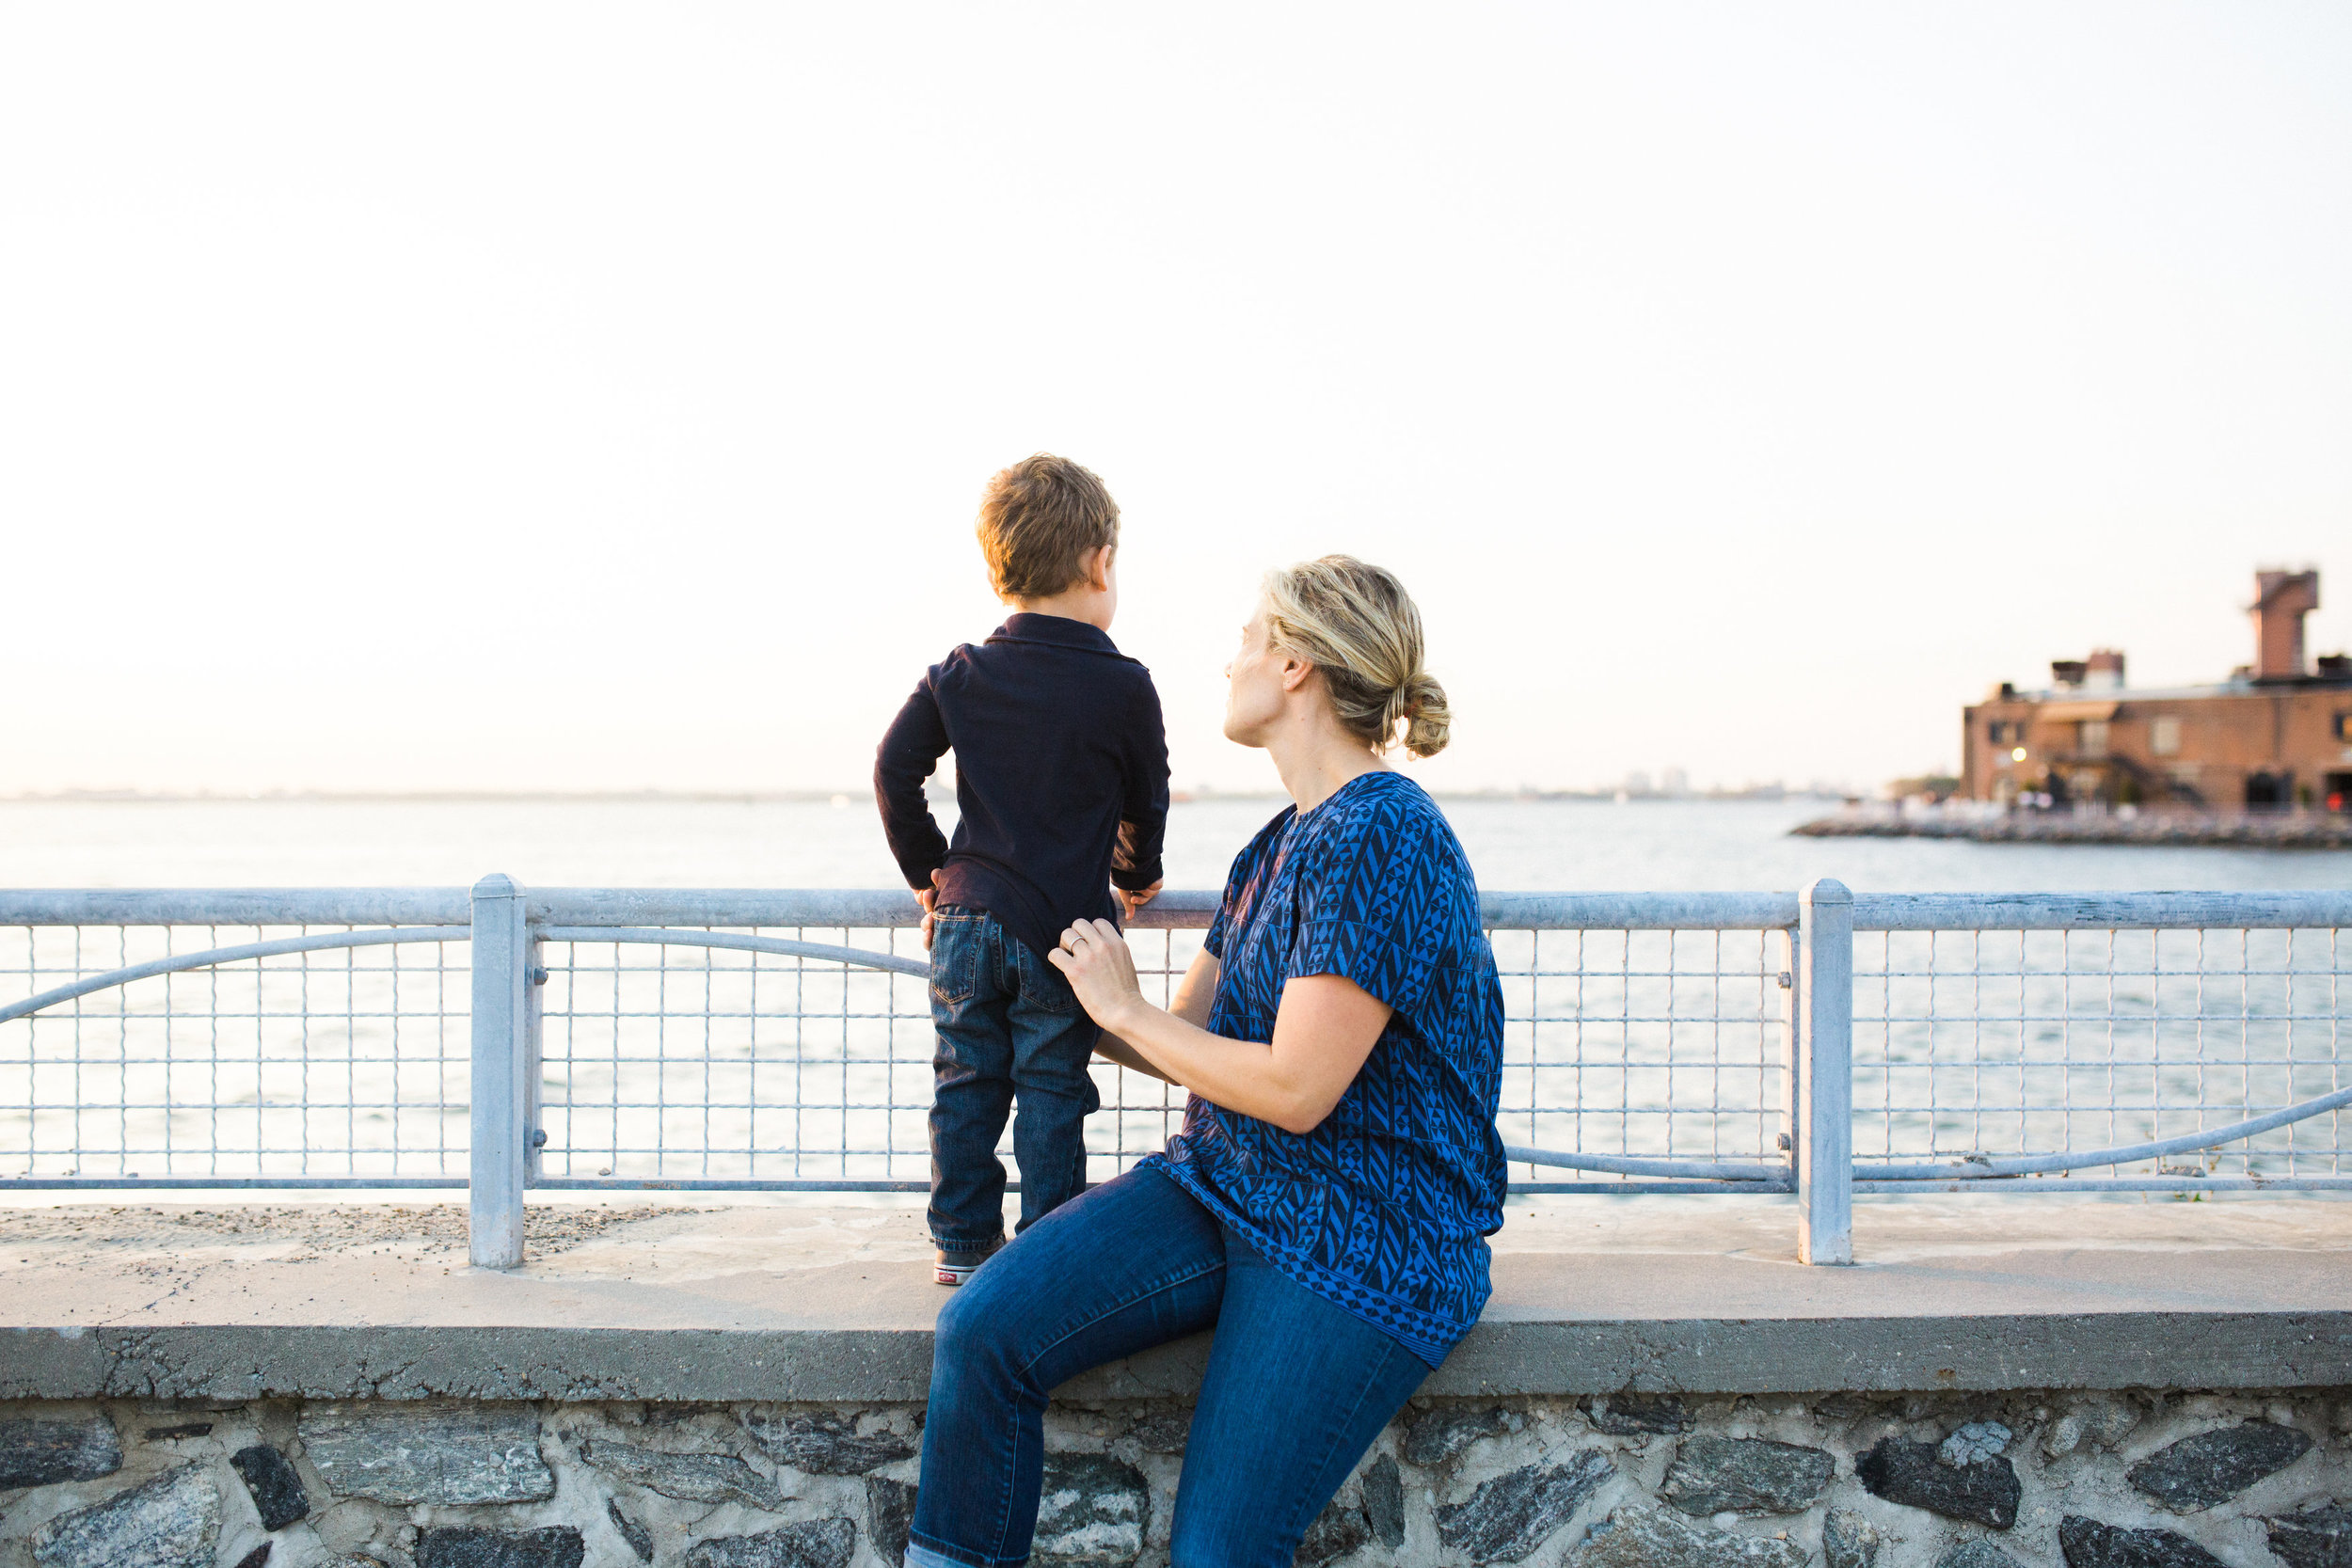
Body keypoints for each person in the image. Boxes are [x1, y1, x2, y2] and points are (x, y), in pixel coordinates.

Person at [905, 556, 1506, 1568]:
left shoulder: (1384, 835)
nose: (1228, 659)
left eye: (1245, 637)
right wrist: (1015, 956)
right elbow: (1174, 1033)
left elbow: (1296, 1087)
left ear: (1297, 664)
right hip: (1228, 1182)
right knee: (983, 1330)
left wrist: (1128, 1005)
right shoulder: (1274, 844)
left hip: (1363, 1231)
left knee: (1218, 1552)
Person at [874, 454, 1170, 1288]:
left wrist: (932, 877)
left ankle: (962, 1244)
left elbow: (895, 770)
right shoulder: (1124, 685)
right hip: (1065, 930)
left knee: (965, 1078)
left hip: (967, 918)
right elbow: (1147, 798)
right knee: (1051, 1083)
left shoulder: (962, 671)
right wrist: (1137, 876)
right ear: (1099, 562)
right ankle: (1044, 1247)